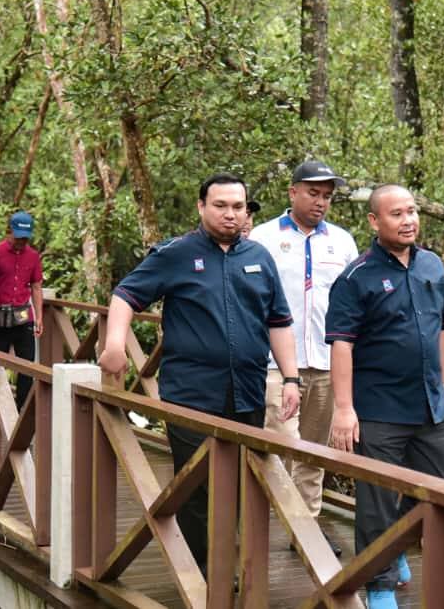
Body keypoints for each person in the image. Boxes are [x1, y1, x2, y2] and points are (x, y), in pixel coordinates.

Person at [99, 172, 301, 576]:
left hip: (246, 393)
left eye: (238, 206)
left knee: (242, 481)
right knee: (196, 485)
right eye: (220, 205)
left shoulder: (260, 258)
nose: (230, 214)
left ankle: (228, 564)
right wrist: (116, 345)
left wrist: (292, 379)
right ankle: (203, 572)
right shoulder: (176, 253)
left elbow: (278, 322)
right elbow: (125, 295)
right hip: (191, 393)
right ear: (201, 207)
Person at [325, 185, 444, 609]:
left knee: (439, 495)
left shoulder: (432, 265)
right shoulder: (356, 277)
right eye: (397, 214)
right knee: (377, 501)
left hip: (431, 406)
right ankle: (379, 587)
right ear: (374, 221)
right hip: (379, 408)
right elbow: (342, 344)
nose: (408, 221)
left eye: (412, 211)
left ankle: (398, 545)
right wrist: (344, 409)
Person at [249, 160, 358, 557]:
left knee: (313, 453)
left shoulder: (342, 242)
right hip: (276, 365)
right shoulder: (262, 238)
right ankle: (262, 526)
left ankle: (306, 531)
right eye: (313, 193)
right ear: (292, 192)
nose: (321, 202)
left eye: (327, 196)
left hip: (327, 363)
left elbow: (353, 303)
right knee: (280, 448)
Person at [0, 211, 44, 408]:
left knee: (27, 368)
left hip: (23, 318)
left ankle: (23, 412)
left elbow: (36, 286)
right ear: (9, 232)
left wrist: (39, 317)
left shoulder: (33, 256)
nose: (21, 242)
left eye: (25, 238)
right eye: (18, 237)